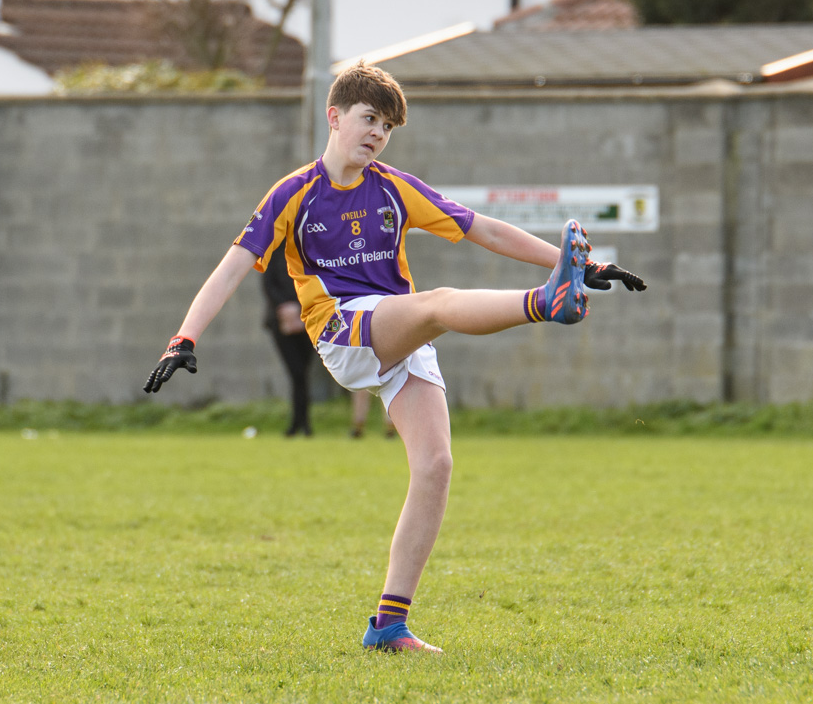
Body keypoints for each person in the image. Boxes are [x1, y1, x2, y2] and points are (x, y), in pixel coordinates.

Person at [143, 61, 646, 653]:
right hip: (342, 332)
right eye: (368, 119)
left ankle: (388, 625)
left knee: (435, 466)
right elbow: (230, 269)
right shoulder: (293, 192)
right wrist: (184, 337)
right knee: (436, 304)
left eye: (386, 126)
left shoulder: (393, 186)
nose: (378, 133)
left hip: (397, 330)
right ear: (334, 118)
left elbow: (484, 229)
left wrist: (585, 265)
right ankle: (545, 302)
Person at [261, 239, 317, 437]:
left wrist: (299, 308)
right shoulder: (274, 251)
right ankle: (299, 423)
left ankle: (303, 424)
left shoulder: (310, 249)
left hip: (306, 320)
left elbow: (315, 281)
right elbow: (268, 284)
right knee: (296, 372)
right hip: (280, 321)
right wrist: (285, 308)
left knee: (303, 372)